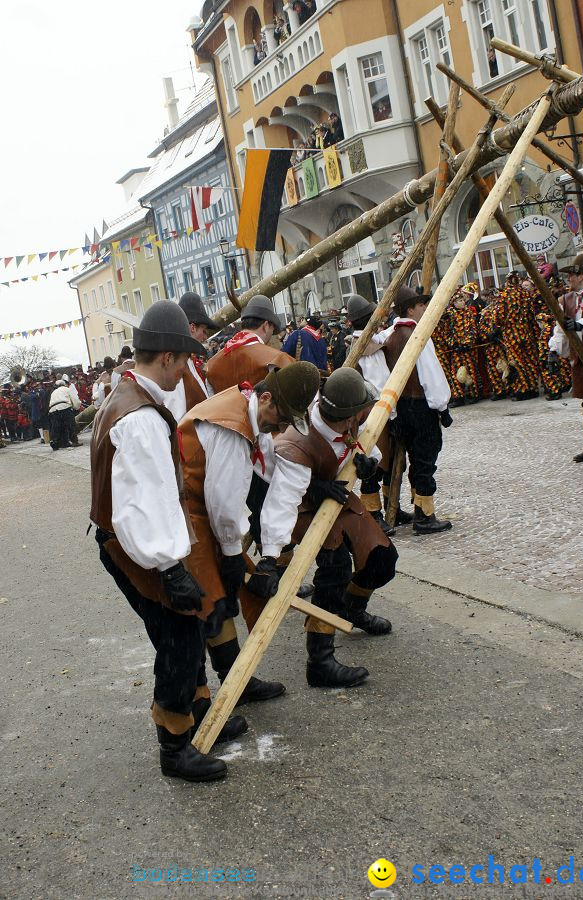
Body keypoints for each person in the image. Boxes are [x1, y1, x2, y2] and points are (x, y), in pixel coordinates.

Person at [90, 301, 236, 783]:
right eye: (185, 360)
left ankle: (195, 721)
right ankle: (175, 748)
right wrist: (170, 569)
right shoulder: (141, 418)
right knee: (179, 635)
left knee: (184, 630)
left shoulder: (126, 394)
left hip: (128, 542)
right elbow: (141, 503)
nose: (186, 371)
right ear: (169, 357)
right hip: (135, 546)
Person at [178, 361, 320, 702]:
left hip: (200, 509)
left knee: (221, 600)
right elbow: (224, 503)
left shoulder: (247, 408)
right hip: (185, 512)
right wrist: (232, 557)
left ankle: (235, 680)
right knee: (207, 605)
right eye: (282, 417)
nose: (282, 427)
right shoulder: (234, 428)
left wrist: (315, 489)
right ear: (267, 398)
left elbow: (270, 472)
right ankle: (198, 704)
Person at [250, 368, 399, 689]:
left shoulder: (348, 412)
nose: (351, 423)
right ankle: (320, 661)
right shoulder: (296, 444)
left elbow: (364, 443)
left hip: (338, 495)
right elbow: (281, 502)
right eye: (345, 419)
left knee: (382, 560)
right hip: (304, 506)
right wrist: (270, 558)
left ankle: (352, 610)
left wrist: (368, 460)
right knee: (334, 571)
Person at [383, 287, 453, 534]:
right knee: (425, 459)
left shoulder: (389, 335)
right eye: (421, 306)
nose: (425, 309)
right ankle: (425, 515)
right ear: (410, 309)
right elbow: (430, 375)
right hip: (420, 405)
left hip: (400, 406)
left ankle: (410, 508)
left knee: (413, 458)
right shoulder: (417, 334)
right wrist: (442, 406)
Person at [345, 293, 401, 534]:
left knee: (389, 461)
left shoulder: (374, 341)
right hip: (370, 413)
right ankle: (373, 514)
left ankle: (391, 507)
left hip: (385, 410)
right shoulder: (358, 347)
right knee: (373, 466)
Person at [548, 251, 583, 461]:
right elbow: (560, 330)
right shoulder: (566, 300)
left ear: (582, 275)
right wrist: (553, 350)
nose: (568, 279)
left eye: (571, 274)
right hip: (581, 359)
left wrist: (580, 324)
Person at [206, 295, 293, 393]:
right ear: (266, 326)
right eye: (272, 330)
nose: (271, 335)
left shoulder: (211, 366)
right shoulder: (277, 359)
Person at [162, 292, 217, 422]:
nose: (205, 337)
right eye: (203, 331)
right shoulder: (175, 365)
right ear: (192, 327)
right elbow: (177, 417)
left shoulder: (190, 361)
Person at [495, 273, 540, 401]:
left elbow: (499, 317)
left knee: (516, 362)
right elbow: (532, 314)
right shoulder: (525, 294)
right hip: (526, 332)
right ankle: (533, 388)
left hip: (511, 334)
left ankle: (522, 390)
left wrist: (499, 327)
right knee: (529, 361)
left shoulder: (504, 295)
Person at [446, 287, 480, 406]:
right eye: (459, 301)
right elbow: (447, 332)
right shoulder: (450, 314)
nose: (463, 302)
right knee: (455, 372)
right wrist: (454, 344)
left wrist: (468, 343)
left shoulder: (469, 313)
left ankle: (473, 394)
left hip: (467, 348)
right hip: (456, 348)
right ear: (454, 303)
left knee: (470, 370)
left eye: (463, 300)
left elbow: (473, 329)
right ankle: (459, 396)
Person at [48, 375, 78, 450]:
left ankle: (56, 442)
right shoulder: (67, 389)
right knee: (70, 425)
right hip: (64, 407)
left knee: (57, 427)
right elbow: (75, 400)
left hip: (53, 410)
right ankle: (74, 441)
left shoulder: (54, 392)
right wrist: (76, 407)